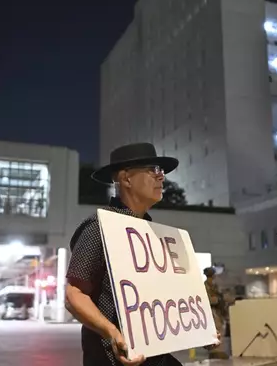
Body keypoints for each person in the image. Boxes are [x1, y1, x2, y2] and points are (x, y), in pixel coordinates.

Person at [65, 143, 215, 366]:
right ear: (126, 179)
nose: (161, 178)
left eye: (161, 172)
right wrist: (112, 332)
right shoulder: (99, 226)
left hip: (156, 357)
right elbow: (74, 294)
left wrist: (201, 329)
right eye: (154, 170)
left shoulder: (154, 233)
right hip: (114, 359)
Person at [203, 267, 229, 360]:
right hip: (211, 311)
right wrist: (216, 300)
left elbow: (219, 297)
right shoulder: (205, 286)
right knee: (214, 331)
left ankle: (219, 351)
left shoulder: (215, 286)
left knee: (220, 329)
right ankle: (215, 352)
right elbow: (208, 299)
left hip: (218, 311)